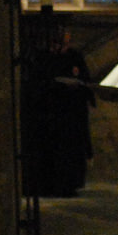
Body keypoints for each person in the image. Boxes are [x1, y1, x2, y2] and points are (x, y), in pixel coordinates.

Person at [21, 16, 94, 197]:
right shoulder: (42, 57)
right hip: (51, 112)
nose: (64, 42)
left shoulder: (74, 56)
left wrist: (80, 86)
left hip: (72, 111)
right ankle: (49, 185)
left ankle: (70, 184)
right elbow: (36, 84)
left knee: (71, 149)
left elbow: (85, 79)